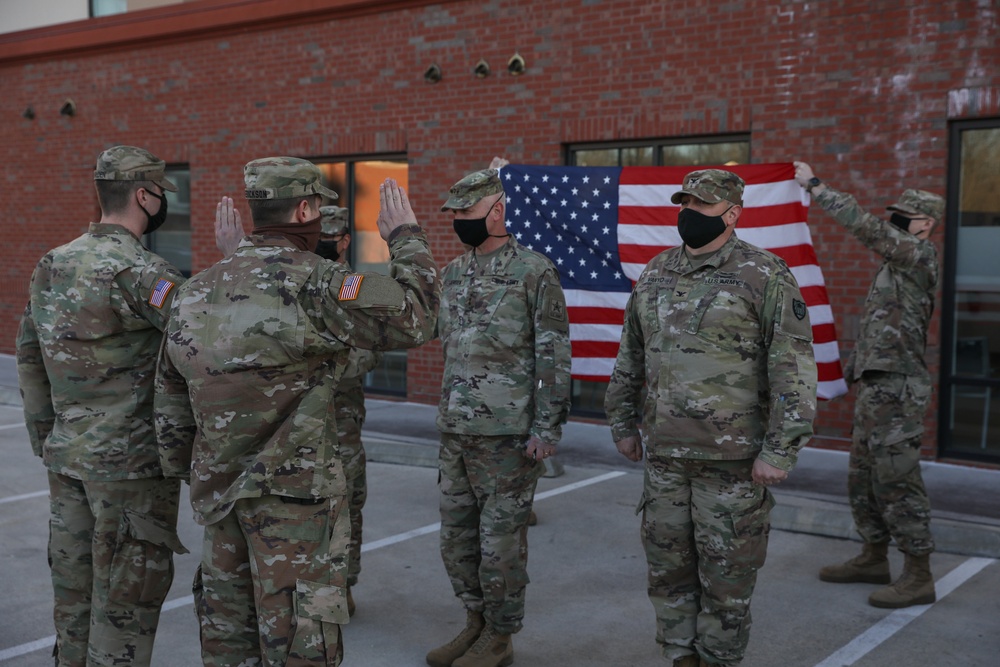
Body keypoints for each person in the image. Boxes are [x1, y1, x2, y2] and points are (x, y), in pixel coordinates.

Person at [154, 158, 439, 667]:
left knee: (227, 639)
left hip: (218, 501)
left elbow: (171, 402)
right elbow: (416, 315)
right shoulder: (321, 282)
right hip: (297, 507)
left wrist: (193, 472)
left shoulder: (192, 290)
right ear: (305, 209)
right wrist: (406, 236)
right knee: (300, 644)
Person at [15, 145, 240, 666]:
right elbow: (210, 340)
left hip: (67, 456)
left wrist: (47, 435)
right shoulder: (140, 271)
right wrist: (234, 268)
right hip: (131, 469)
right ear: (144, 195)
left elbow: (29, 355)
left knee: (74, 598)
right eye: (161, 195)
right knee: (125, 604)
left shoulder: (52, 263)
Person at [605, 169, 817, 667]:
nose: (689, 215)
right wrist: (620, 423)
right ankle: (680, 657)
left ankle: (718, 659)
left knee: (728, 580)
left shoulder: (764, 274)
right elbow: (630, 354)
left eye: (701, 207)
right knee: (667, 573)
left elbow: (793, 368)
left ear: (732, 213)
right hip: (665, 460)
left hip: (734, 463)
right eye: (685, 205)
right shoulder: (657, 271)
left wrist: (780, 449)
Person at [427, 168, 571, 667]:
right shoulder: (452, 273)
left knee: (500, 546)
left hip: (508, 435)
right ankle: (475, 621)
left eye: (467, 212)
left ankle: (501, 635)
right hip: (456, 430)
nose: (459, 222)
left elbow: (553, 354)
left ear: (497, 212)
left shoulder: (534, 271)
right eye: (455, 215)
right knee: (456, 539)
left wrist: (547, 427)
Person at [793, 161, 944, 609]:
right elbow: (885, 326)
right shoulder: (893, 266)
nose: (895, 220)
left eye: (905, 216)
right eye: (895, 214)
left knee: (897, 480)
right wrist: (850, 368)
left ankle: (919, 574)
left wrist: (817, 188)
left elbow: (867, 228)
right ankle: (874, 556)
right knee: (862, 477)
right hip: (876, 386)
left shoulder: (919, 256)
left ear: (926, 225)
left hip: (899, 389)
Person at [316, 204, 383, 617]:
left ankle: (344, 585)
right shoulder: (296, 279)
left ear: (343, 241)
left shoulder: (360, 287)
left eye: (328, 236)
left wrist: (314, 361)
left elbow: (368, 353)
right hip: (295, 425)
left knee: (347, 508)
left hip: (341, 425)